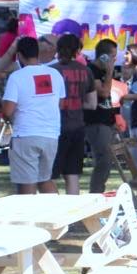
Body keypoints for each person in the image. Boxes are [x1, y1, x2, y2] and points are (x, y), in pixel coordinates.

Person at [3, 37, 65, 195]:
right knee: (45, 179)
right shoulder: (55, 74)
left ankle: (28, 218)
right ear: (38, 53)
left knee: (27, 185)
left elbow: (8, 111)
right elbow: (61, 104)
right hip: (51, 135)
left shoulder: (17, 77)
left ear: (19, 56)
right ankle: (60, 217)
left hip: (26, 134)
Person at [52, 34, 93, 194]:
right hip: (77, 126)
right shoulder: (86, 71)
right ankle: (74, 216)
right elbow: (92, 103)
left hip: (56, 128)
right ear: (77, 50)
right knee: (72, 174)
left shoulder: (52, 71)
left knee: (49, 176)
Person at [84, 38, 119, 193]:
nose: (115, 60)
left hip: (106, 121)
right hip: (96, 122)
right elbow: (104, 92)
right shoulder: (92, 71)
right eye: (113, 56)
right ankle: (95, 193)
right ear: (104, 57)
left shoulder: (104, 72)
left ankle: (98, 191)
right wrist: (110, 72)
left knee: (107, 160)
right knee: (103, 159)